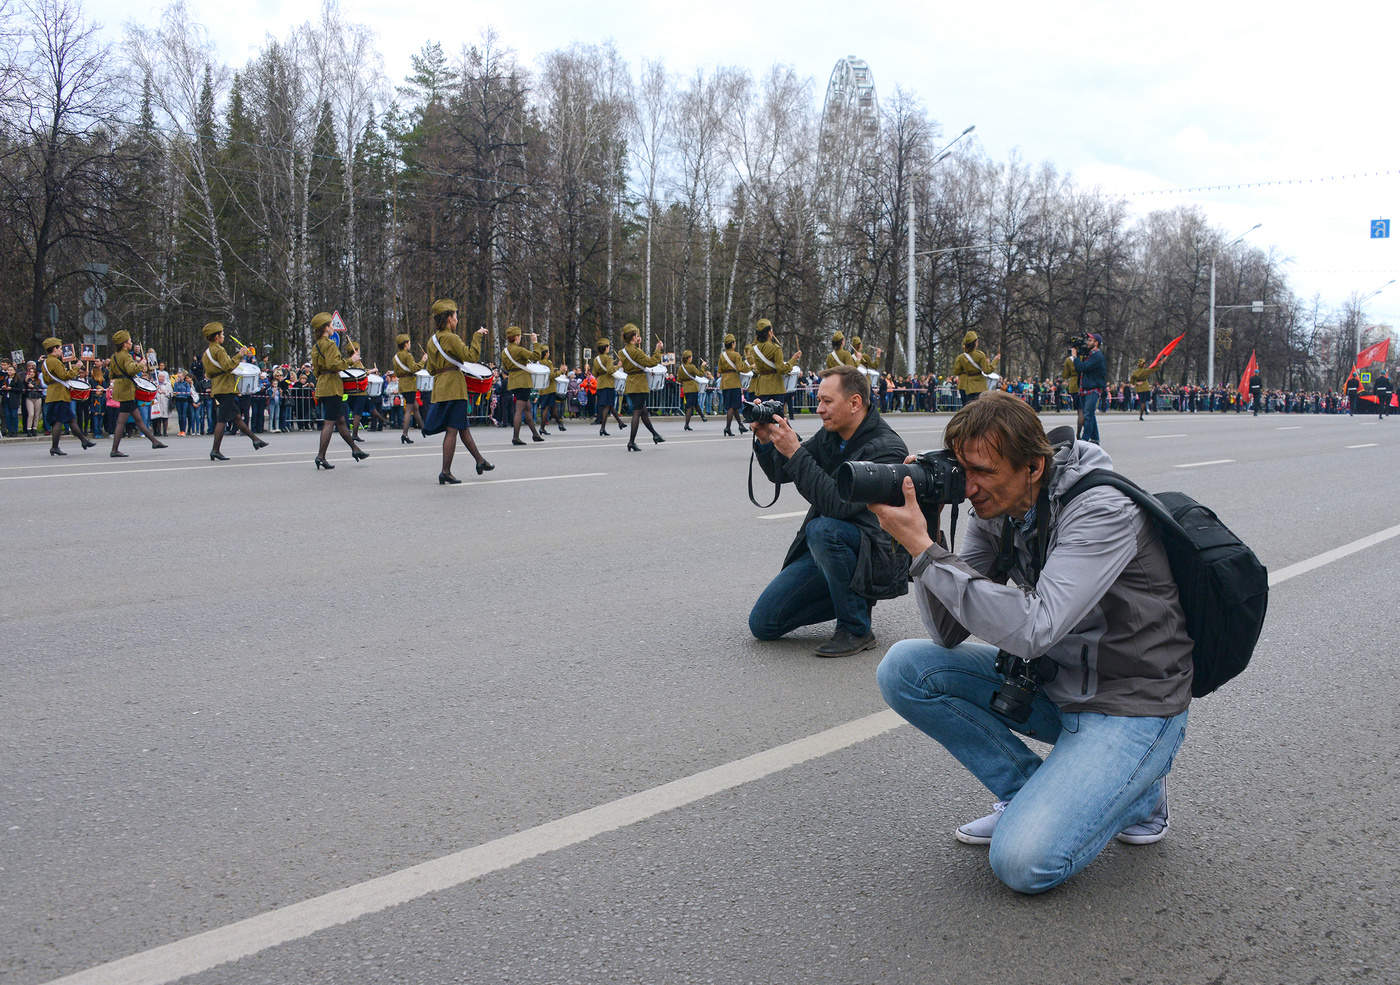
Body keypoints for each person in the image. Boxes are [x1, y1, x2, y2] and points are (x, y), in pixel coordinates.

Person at [870, 392, 1192, 894]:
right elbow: (948, 632)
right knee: (906, 668)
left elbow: (1034, 628)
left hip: (1131, 704)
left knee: (1022, 864)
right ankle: (1029, 794)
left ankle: (1139, 791)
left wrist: (923, 551)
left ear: (1033, 467)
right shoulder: (993, 507)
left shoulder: (1101, 509)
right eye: (960, 470)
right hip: (1056, 684)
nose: (969, 487)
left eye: (981, 471)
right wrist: (928, 534)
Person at [748, 364, 910, 657]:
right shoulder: (833, 435)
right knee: (763, 623)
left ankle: (856, 628)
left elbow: (837, 504)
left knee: (822, 528)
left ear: (855, 402)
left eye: (826, 401)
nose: (819, 408)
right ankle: (848, 596)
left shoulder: (886, 449)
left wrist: (795, 451)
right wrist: (766, 440)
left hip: (872, 555)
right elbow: (781, 473)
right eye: (818, 399)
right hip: (833, 548)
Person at [423, 298, 494, 483]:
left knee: (462, 428)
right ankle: (445, 471)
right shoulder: (450, 337)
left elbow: (430, 369)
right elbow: (471, 356)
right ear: (448, 318)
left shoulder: (432, 341)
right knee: (453, 430)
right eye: (455, 316)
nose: (457, 320)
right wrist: (477, 336)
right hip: (454, 388)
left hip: (440, 388)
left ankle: (480, 461)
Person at [200, 323, 268, 461]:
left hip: (218, 387)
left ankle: (255, 440)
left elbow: (209, 372)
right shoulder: (219, 350)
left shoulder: (206, 353)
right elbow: (228, 366)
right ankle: (215, 450)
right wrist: (240, 355)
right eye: (222, 334)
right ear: (217, 336)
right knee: (222, 420)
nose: (223, 336)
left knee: (236, 416)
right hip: (225, 388)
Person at [308, 312, 366, 469]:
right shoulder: (330, 344)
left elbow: (316, 370)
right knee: (329, 423)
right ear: (326, 328)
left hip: (323, 385)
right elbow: (335, 364)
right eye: (331, 325)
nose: (333, 327)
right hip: (333, 387)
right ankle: (320, 456)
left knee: (340, 421)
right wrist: (350, 360)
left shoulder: (316, 346)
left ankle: (355, 450)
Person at [107, 330, 167, 456]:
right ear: (124, 344)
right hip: (126, 390)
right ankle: (114, 450)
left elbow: (111, 374)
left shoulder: (114, 356)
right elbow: (131, 370)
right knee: (122, 421)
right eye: (129, 341)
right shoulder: (126, 355)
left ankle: (154, 441)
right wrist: (141, 364)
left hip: (120, 388)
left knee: (138, 419)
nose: (131, 343)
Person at [40, 337, 95, 455]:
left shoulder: (45, 362)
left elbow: (47, 380)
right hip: (59, 395)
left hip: (53, 394)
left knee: (71, 420)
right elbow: (65, 376)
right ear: (54, 349)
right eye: (60, 348)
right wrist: (77, 367)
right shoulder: (54, 361)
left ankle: (84, 441)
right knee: (59, 421)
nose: (61, 351)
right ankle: (55, 447)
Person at [617, 324, 666, 451]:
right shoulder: (635, 351)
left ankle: (655, 435)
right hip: (640, 384)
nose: (638, 337)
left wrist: (636, 344)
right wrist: (658, 349)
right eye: (636, 335)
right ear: (633, 337)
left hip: (631, 384)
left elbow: (635, 359)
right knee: (637, 413)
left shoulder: (622, 352)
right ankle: (631, 442)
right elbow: (650, 362)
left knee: (643, 412)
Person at [499, 326, 544, 445]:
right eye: (519, 336)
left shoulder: (504, 352)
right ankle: (515, 437)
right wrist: (535, 342)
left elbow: (506, 368)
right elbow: (536, 357)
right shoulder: (519, 350)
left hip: (513, 381)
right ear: (516, 337)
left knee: (527, 408)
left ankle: (535, 434)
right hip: (523, 381)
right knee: (519, 409)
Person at [749, 318, 800, 416]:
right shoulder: (775, 348)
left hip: (762, 387)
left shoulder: (754, 349)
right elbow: (782, 369)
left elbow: (758, 369)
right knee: (779, 417)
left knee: (763, 417)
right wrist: (793, 359)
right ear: (769, 332)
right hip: (776, 387)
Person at [1071, 333, 1106, 444]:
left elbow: (1082, 367)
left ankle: (1085, 441)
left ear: (1096, 343)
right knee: (1090, 414)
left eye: (1090, 340)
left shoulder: (1097, 355)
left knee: (1087, 415)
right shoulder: (1090, 354)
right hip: (1086, 388)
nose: (1087, 342)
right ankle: (1095, 438)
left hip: (1093, 389)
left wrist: (1075, 357)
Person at [391, 334, 426, 443]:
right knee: (409, 409)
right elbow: (414, 368)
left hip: (402, 384)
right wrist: (423, 360)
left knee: (415, 407)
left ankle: (424, 429)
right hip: (410, 385)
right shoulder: (408, 356)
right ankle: (404, 434)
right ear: (406, 344)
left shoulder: (395, 357)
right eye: (409, 342)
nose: (410, 344)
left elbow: (396, 373)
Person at [718, 333, 751, 437]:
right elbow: (741, 368)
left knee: (733, 406)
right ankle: (727, 427)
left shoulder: (722, 355)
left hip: (725, 382)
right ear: (732, 343)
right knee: (732, 406)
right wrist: (750, 366)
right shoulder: (736, 355)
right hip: (734, 382)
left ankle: (740, 425)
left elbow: (719, 370)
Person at [951, 331, 992, 405]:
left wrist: (965, 370)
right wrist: (995, 361)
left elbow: (956, 371)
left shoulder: (961, 357)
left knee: (966, 409)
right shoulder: (980, 355)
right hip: (979, 386)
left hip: (965, 386)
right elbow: (987, 370)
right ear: (975, 343)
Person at [678, 349, 709, 430]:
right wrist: (703, 366)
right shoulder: (691, 367)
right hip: (693, 388)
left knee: (695, 403)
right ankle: (686, 425)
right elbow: (701, 374)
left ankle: (703, 417)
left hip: (685, 389)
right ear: (688, 358)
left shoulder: (681, 368)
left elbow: (679, 379)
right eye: (691, 357)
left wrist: (685, 382)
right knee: (689, 407)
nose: (691, 358)